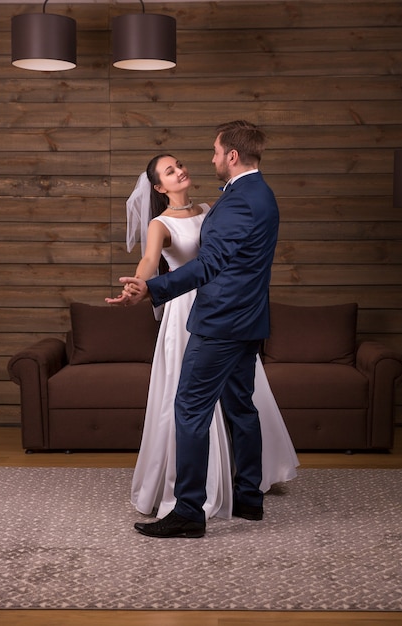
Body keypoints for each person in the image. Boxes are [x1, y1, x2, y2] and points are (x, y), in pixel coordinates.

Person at [106, 120, 298, 539]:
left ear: (232, 156)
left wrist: (151, 289)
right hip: (247, 320)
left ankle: (189, 511)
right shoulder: (257, 193)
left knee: (190, 409)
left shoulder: (234, 203)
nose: (208, 159)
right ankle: (249, 498)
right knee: (241, 407)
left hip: (220, 323)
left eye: (214, 152)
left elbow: (211, 266)